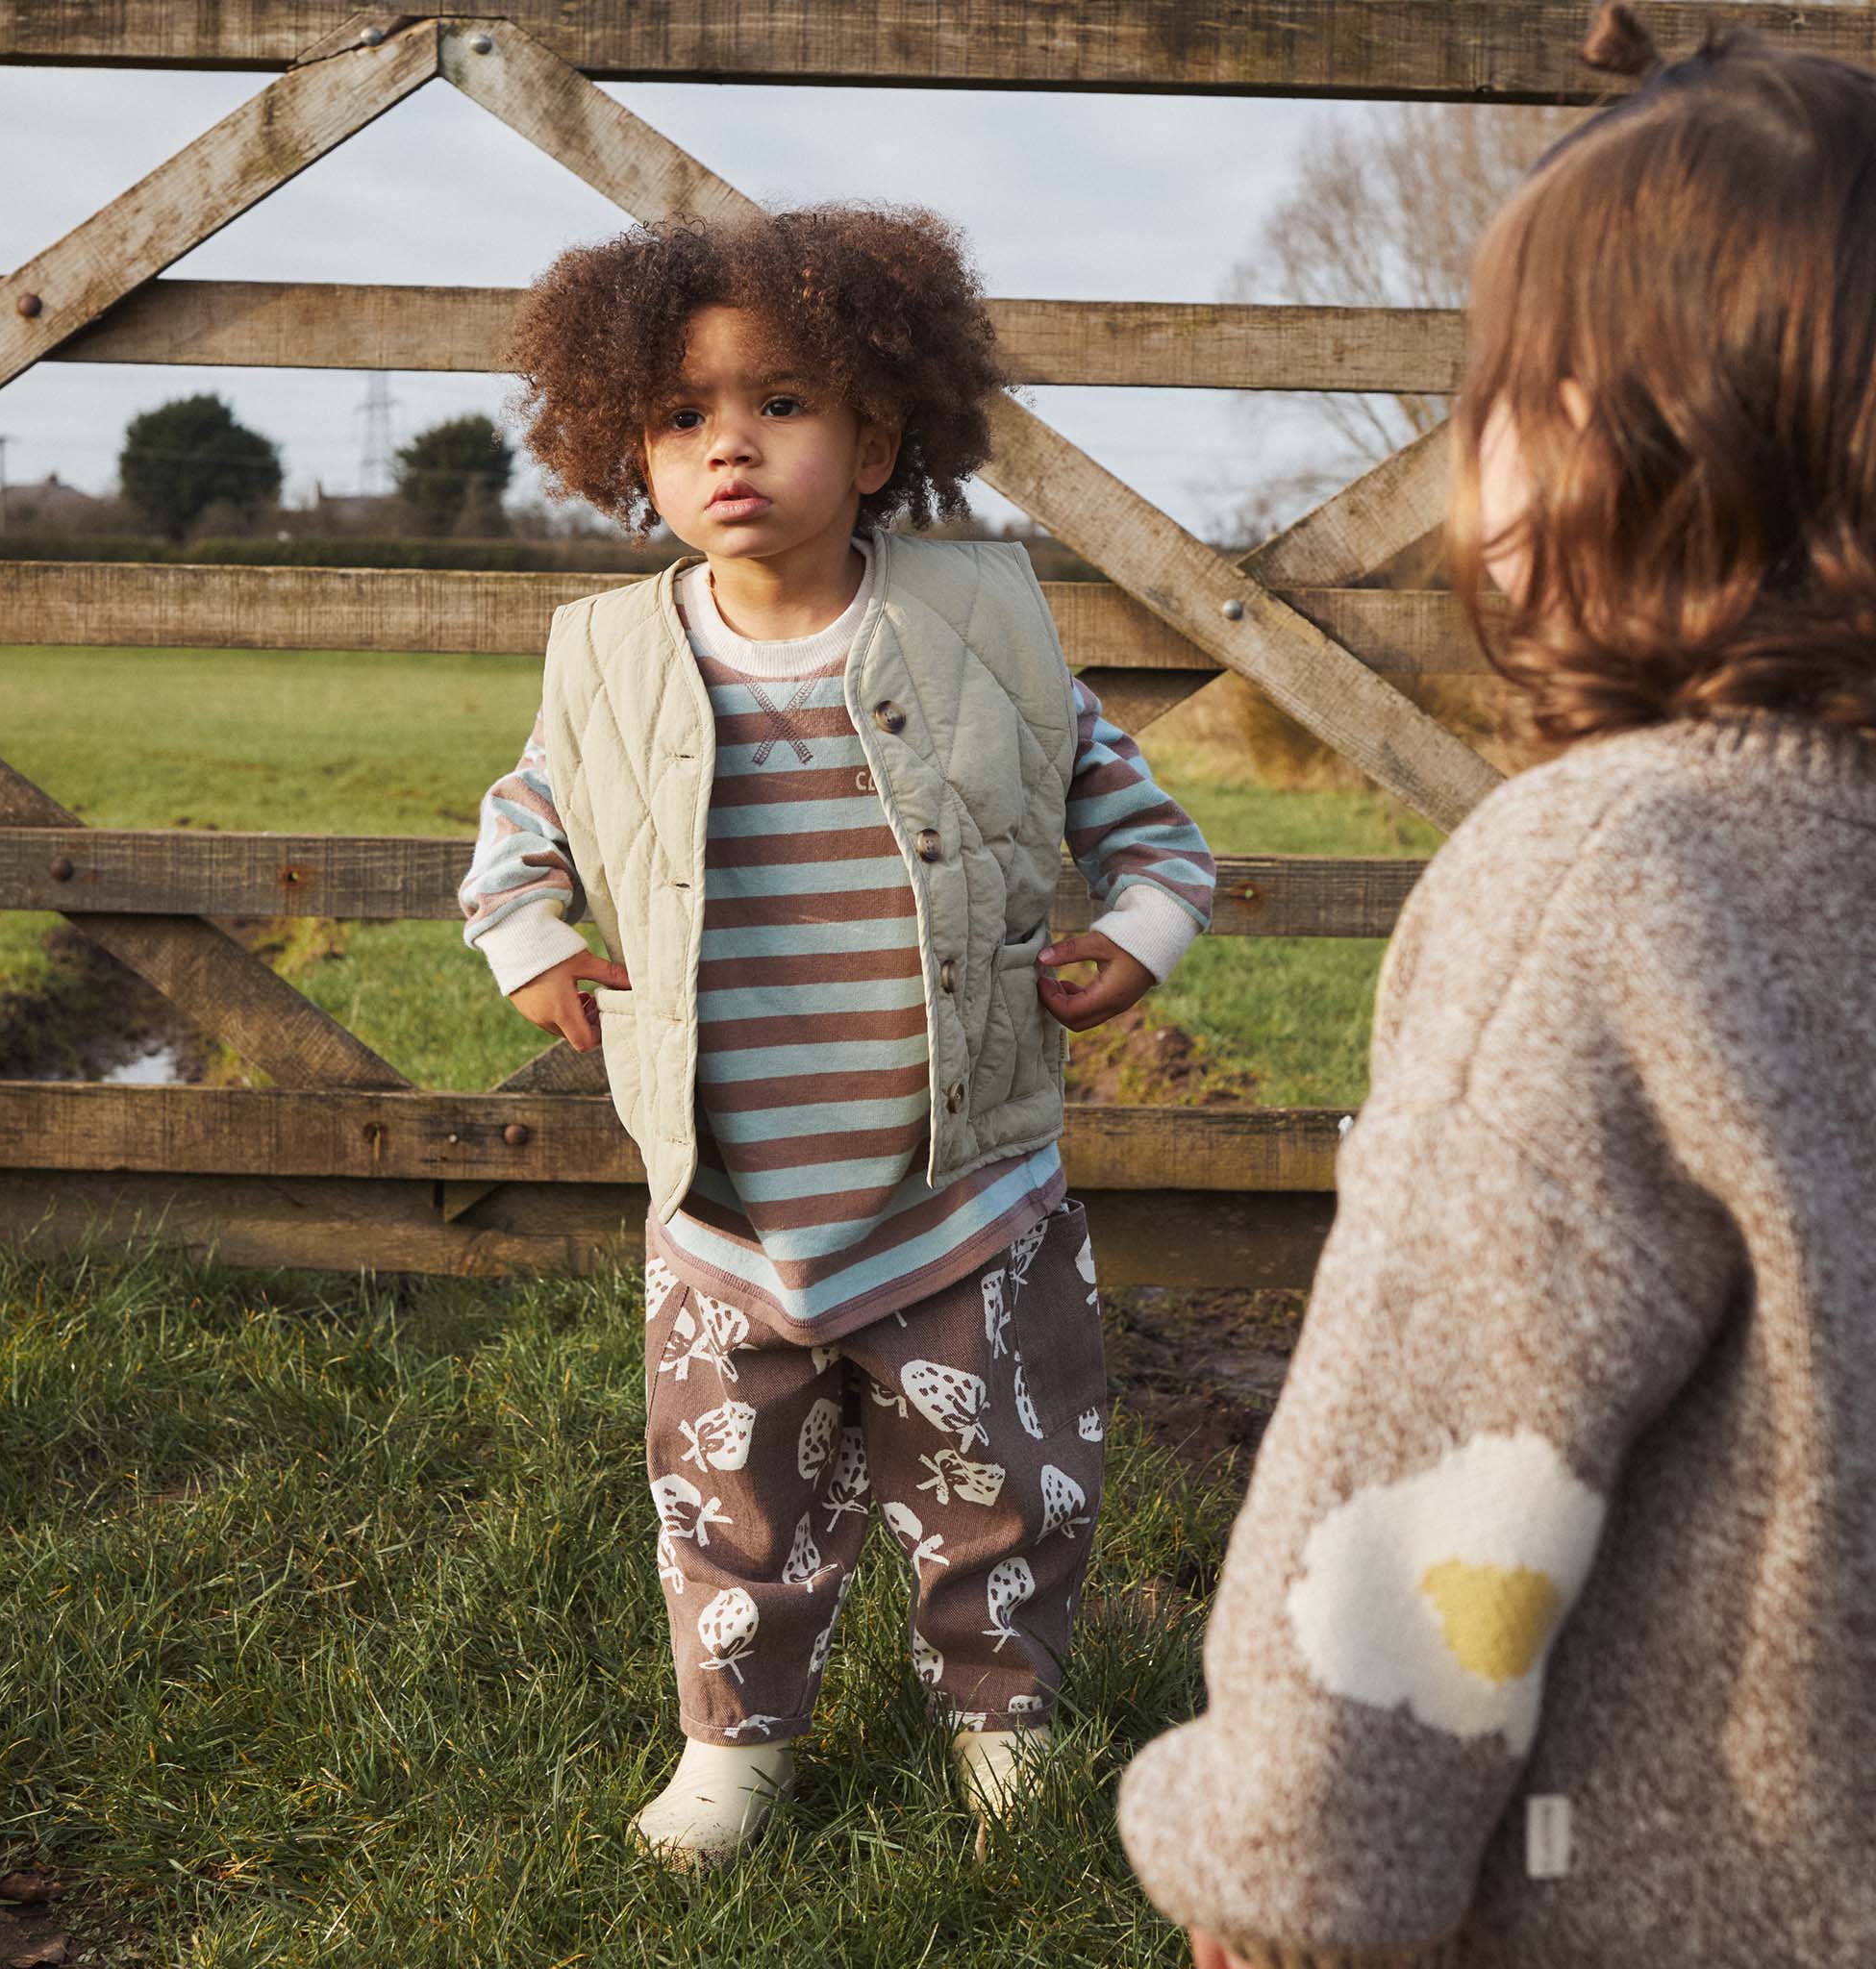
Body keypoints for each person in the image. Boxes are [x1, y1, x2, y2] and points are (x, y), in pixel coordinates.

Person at [1119, 7, 1876, 1963]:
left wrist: (1289, 1873)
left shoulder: (1607, 873)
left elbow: (1447, 1430)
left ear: (1654, 445)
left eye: (1503, 393)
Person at [458, 205, 1215, 1868]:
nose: (729, 446)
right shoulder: (608, 661)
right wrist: (534, 945)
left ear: (879, 436)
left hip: (964, 1184)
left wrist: (1133, 937)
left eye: (781, 404)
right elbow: (522, 832)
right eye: (680, 416)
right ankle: (733, 1741)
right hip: (729, 1199)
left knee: (1001, 1470)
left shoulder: (985, 631)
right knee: (730, 1495)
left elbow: (1150, 834)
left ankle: (1004, 1718)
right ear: (622, 450)